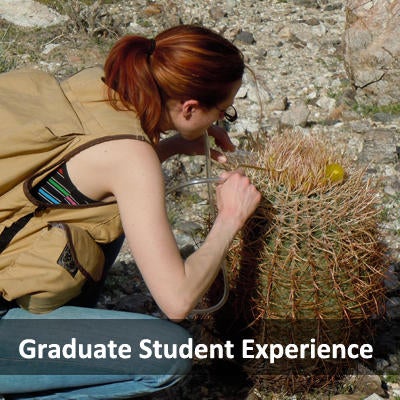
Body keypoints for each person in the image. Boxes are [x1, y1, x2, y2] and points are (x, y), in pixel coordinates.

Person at [0, 24, 261, 399]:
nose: (221, 121)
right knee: (168, 353)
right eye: (223, 111)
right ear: (189, 107)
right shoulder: (133, 159)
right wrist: (230, 219)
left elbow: (80, 176)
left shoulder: (102, 84)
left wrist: (171, 148)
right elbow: (177, 300)